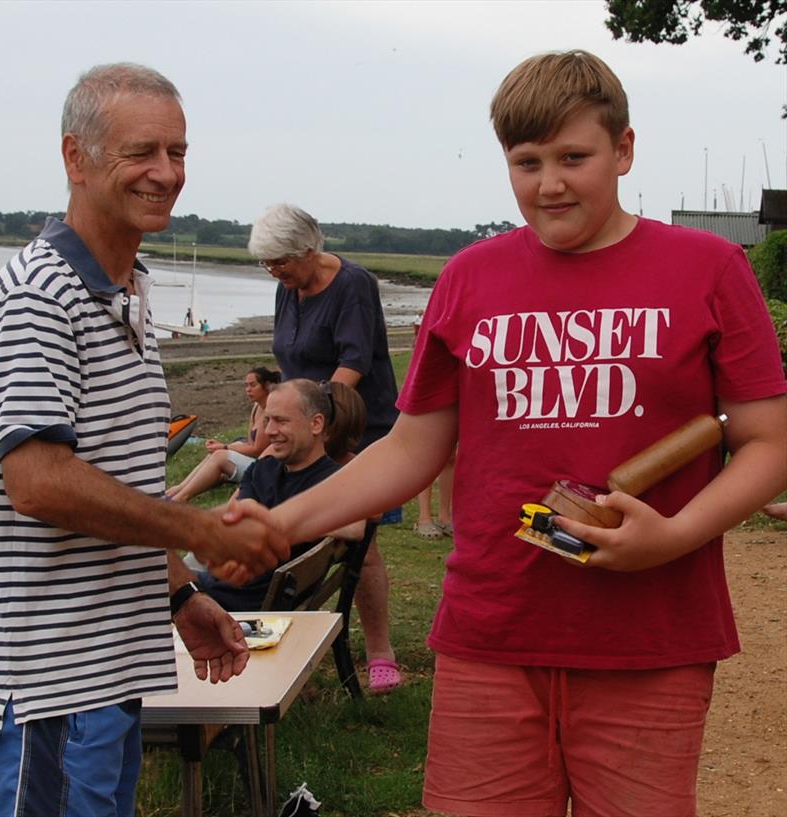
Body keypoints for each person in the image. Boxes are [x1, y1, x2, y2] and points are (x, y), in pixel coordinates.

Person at [224, 51, 787, 816]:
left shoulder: (711, 269)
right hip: (491, 633)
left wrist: (674, 535)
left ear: (624, 150)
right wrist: (278, 523)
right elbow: (414, 446)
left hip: (651, 639)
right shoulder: (469, 278)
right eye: (527, 162)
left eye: (573, 157)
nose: (549, 182)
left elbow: (767, 443)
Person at [0, 63, 288, 817]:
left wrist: (182, 590)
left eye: (177, 152)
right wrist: (196, 527)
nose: (165, 173)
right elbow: (39, 480)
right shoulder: (38, 295)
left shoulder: (129, 290)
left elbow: (120, 481)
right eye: (141, 152)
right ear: (74, 158)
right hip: (46, 684)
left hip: (111, 669)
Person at [249, 203, 402, 694]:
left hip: (354, 423)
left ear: (310, 250)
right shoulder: (287, 287)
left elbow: (353, 362)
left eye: (280, 262)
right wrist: (283, 420)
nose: (274, 271)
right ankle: (291, 637)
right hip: (305, 423)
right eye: (267, 264)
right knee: (300, 529)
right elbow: (287, 357)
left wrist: (320, 424)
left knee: (362, 541)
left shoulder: (353, 285)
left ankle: (380, 651)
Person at [195, 379, 366, 610]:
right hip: (223, 588)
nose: (269, 431)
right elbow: (234, 523)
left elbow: (355, 527)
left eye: (281, 421)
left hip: (238, 602)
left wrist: (275, 520)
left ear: (316, 424)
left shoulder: (335, 480)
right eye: (267, 420)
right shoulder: (261, 470)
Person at [166, 365, 281, 502]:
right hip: (255, 458)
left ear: (266, 386)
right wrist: (226, 446)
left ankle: (181, 498)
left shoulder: (269, 411)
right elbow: (250, 442)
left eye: (253, 385)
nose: (248, 390)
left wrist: (225, 447)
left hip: (264, 465)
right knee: (218, 451)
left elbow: (257, 450)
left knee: (220, 455)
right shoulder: (257, 407)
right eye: (246, 386)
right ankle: (180, 488)